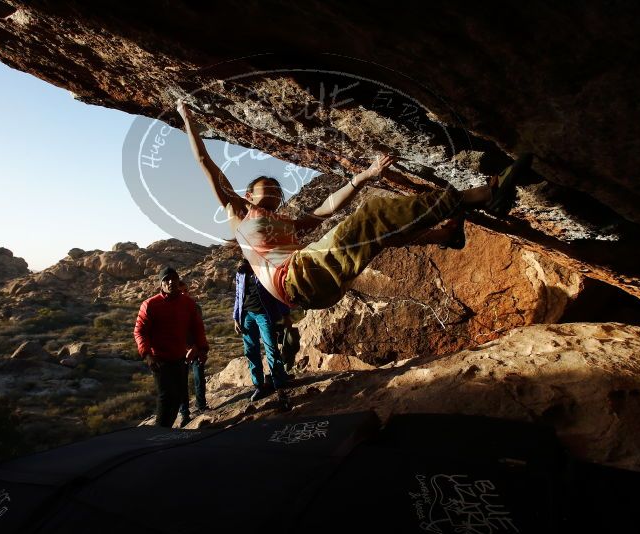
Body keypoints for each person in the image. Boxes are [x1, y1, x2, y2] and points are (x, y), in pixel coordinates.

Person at [176, 99, 531, 312]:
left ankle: (443, 234)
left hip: (318, 289)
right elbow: (206, 164)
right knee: (374, 214)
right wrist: (188, 119)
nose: (270, 187)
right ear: (248, 195)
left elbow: (327, 208)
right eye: (261, 187)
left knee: (375, 234)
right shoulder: (238, 214)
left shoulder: (287, 225)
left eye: (274, 186)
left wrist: (363, 177)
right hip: (298, 279)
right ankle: (484, 195)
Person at [134, 267, 209, 428]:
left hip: (180, 358)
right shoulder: (150, 305)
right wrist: (147, 355)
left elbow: (197, 327)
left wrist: (202, 349)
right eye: (166, 279)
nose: (170, 282)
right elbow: (140, 331)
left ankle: (165, 430)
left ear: (178, 281)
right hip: (159, 360)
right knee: (165, 396)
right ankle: (159, 433)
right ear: (161, 284)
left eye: (173, 278)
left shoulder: (188, 303)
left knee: (179, 395)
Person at [233, 259, 292, 408]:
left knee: (271, 348)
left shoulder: (264, 268)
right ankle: (259, 386)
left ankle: (279, 386)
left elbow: (277, 290)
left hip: (264, 314)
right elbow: (238, 295)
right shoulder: (241, 272)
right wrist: (236, 318)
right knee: (251, 351)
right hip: (247, 315)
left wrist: (285, 314)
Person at [177, 281, 209, 424]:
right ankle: (184, 413)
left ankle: (201, 405)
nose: (185, 293)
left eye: (186, 290)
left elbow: (199, 329)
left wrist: (199, 348)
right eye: (181, 291)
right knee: (181, 382)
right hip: (179, 351)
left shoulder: (196, 307)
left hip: (195, 348)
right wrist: (185, 349)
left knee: (198, 378)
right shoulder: (172, 309)